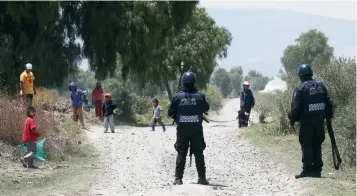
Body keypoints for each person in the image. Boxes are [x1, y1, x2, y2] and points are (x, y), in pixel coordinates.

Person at [288, 64, 333, 179]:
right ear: (311, 73)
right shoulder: (321, 86)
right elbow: (329, 102)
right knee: (317, 144)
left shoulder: (300, 88)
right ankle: (317, 170)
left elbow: (295, 107)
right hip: (320, 121)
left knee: (307, 145)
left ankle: (308, 169)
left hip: (307, 122)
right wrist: (328, 118)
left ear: (300, 75)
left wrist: (291, 122)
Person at [168, 71, 210, 186]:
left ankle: (178, 179)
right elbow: (207, 107)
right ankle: (202, 178)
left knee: (181, 152)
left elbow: (170, 112)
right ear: (194, 83)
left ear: (182, 83)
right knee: (198, 152)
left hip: (182, 130)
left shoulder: (177, 97)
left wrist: (178, 117)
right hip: (197, 130)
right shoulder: (200, 96)